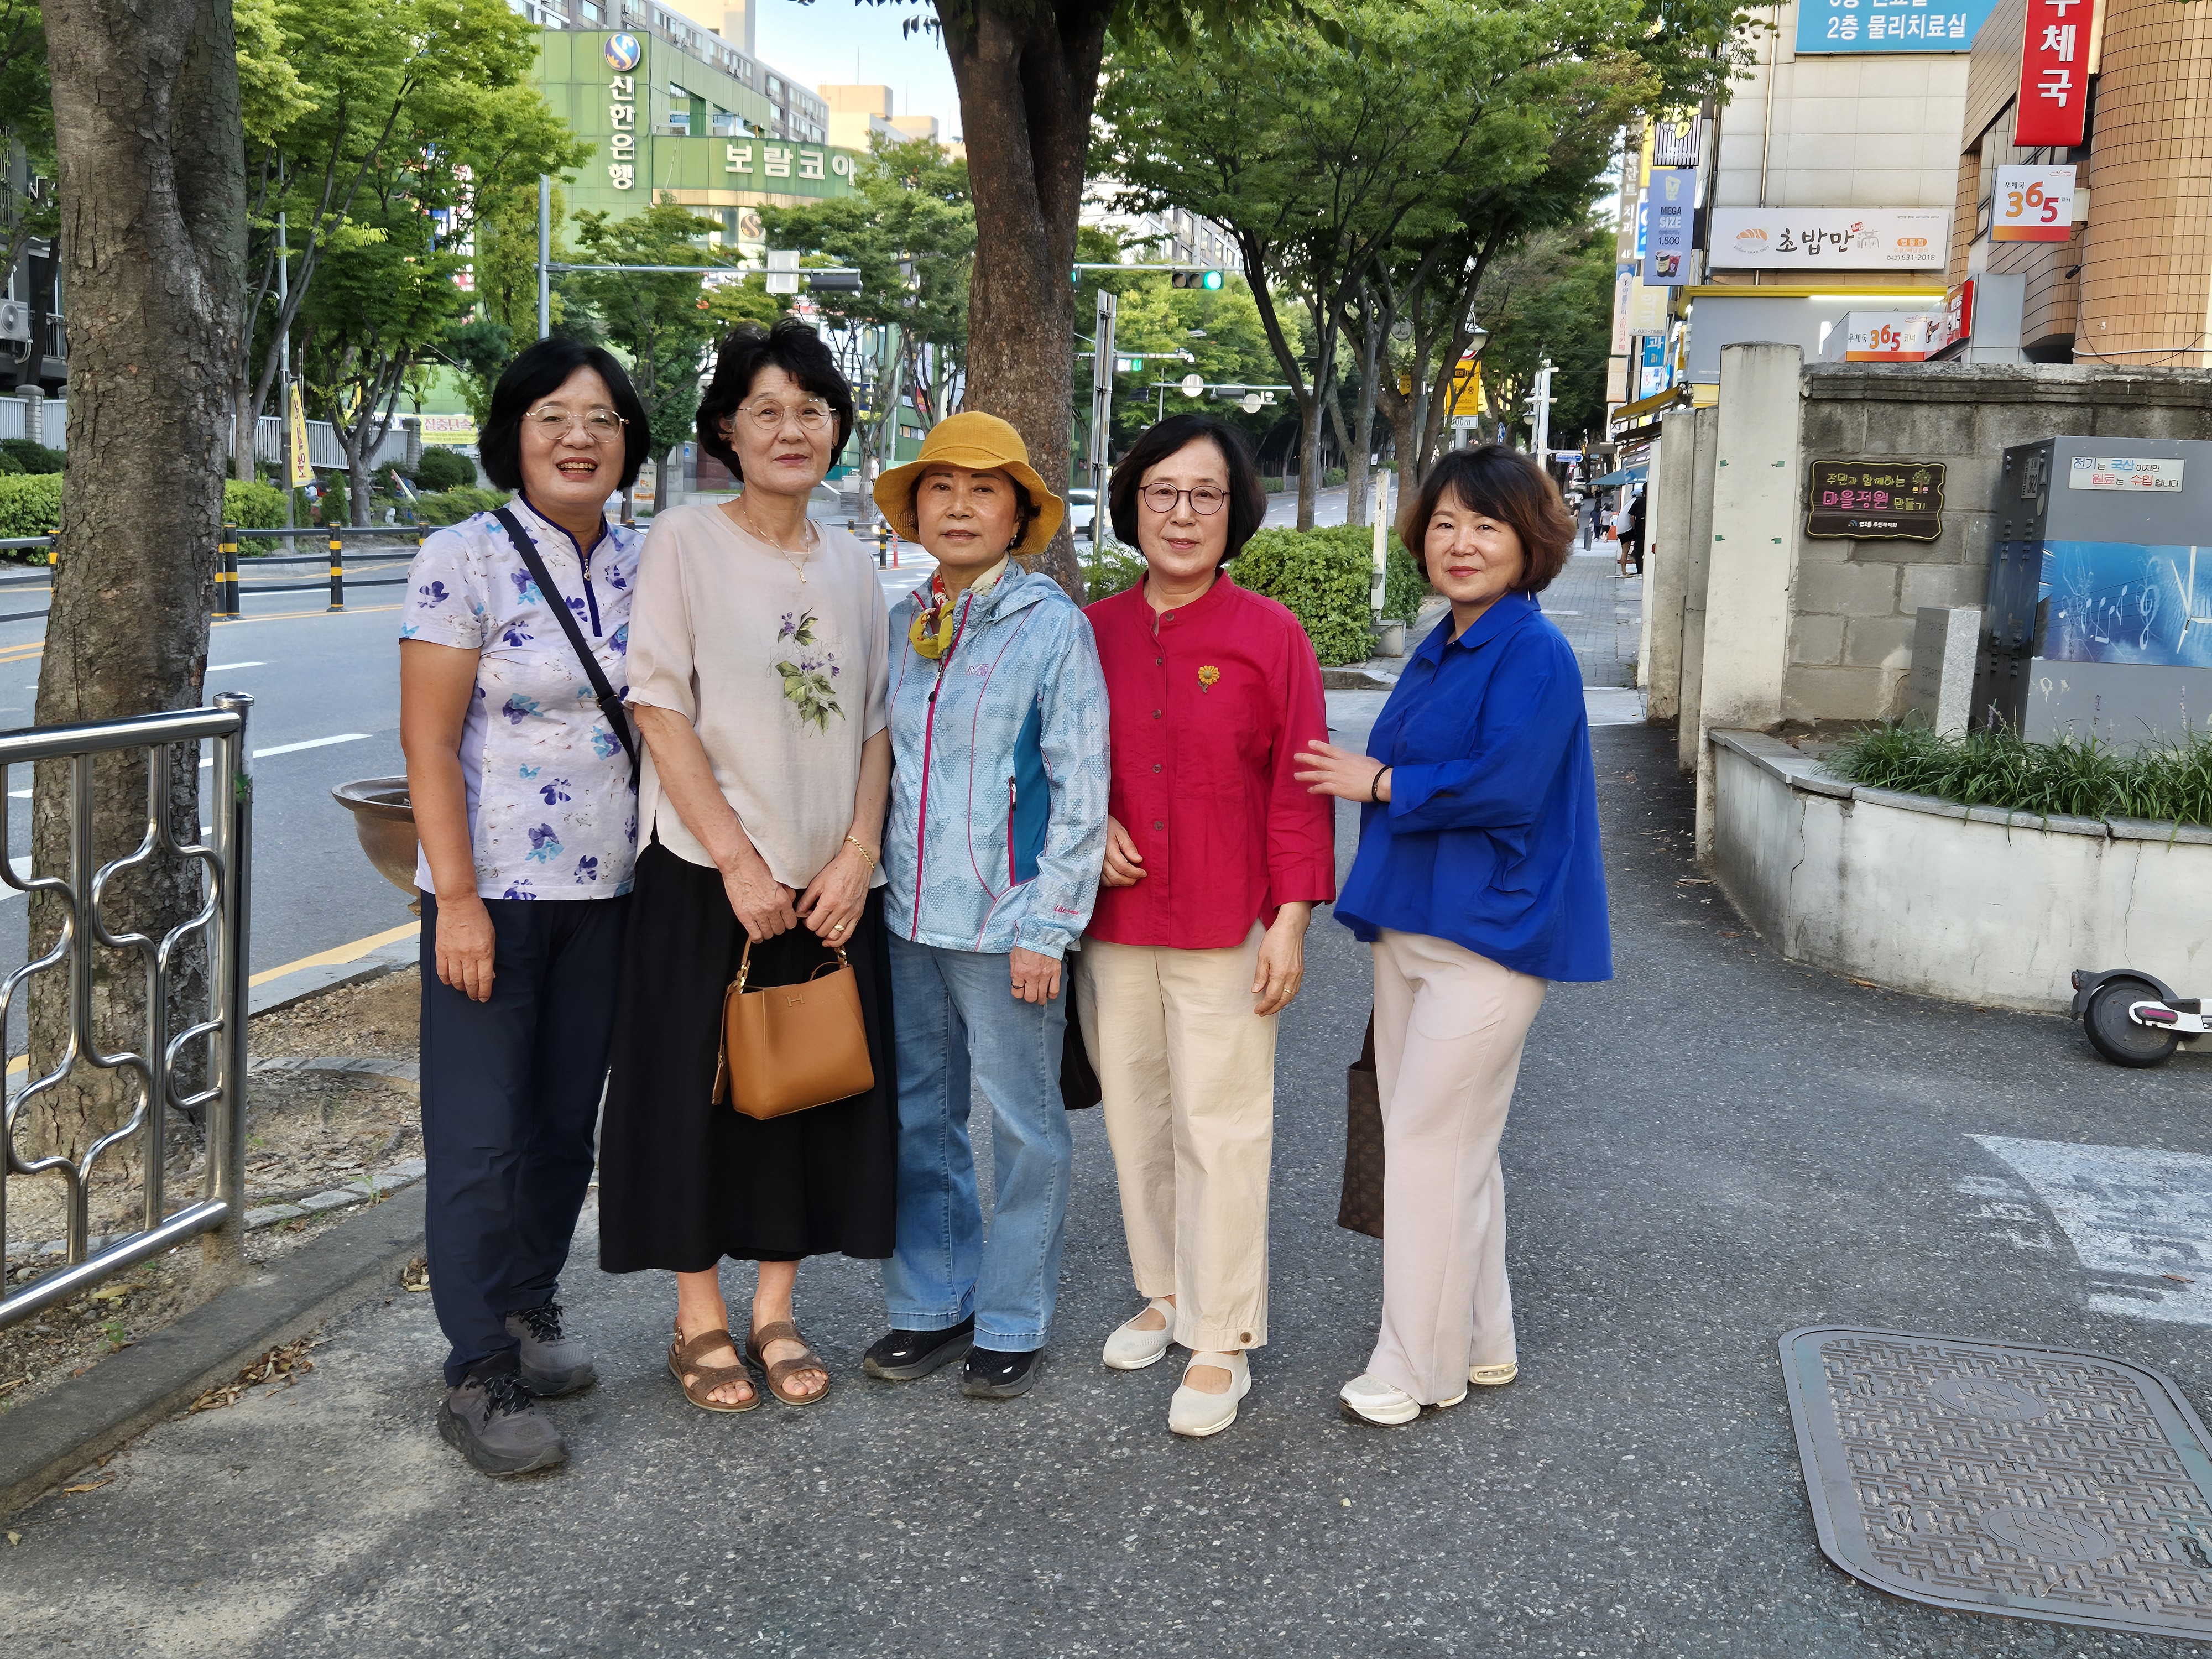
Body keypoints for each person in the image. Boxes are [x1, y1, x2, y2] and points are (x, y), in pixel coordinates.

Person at [597, 319, 895, 1414]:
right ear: (725, 428)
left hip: (827, 884)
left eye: (811, 410)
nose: (790, 429)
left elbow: (875, 724)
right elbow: (659, 704)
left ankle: (775, 1309)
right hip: (705, 870)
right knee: (693, 1095)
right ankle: (699, 1320)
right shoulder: (684, 540)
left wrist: (858, 855)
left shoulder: (855, 563)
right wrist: (735, 859)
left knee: (801, 1089)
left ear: (837, 431)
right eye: (765, 410)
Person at [1294, 442, 1611, 1428]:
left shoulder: (1534, 651)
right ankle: (1480, 1337)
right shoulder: (1446, 640)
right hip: (1414, 923)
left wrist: (1381, 782)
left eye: (1486, 524)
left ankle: (1413, 1367)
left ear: (1530, 541)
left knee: (1429, 1144)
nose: (1460, 543)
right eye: (1444, 524)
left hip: (1489, 932)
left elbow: (1506, 786)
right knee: (1455, 1143)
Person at [399, 337, 650, 1475]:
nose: (578, 437)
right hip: (491, 894)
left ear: (627, 441)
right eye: (553, 416)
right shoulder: (462, 558)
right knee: (479, 1134)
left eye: (601, 418)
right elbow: (427, 742)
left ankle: (526, 1306)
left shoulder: (647, 562)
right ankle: (476, 1372)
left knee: (560, 1125)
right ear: (513, 434)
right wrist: (455, 898)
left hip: (610, 891)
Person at [1074, 413, 1336, 1438]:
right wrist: (1086, 823)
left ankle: (1222, 1333)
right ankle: (1167, 1290)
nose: (1183, 514)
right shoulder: (1089, 632)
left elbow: (1300, 787)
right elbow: (1048, 759)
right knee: (1137, 1117)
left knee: (1222, 1126)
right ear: (1132, 504)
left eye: (1206, 495)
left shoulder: (1271, 635)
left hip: (1231, 920)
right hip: (1115, 918)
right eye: (1163, 493)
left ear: (1235, 513)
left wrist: (1292, 919)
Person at [860, 413, 1109, 1401]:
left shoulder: (1053, 627)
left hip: (1008, 925)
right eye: (941, 488)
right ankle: (932, 1303)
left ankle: (1012, 1317)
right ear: (916, 510)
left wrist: (1051, 924)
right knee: (919, 1120)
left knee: (1024, 1128)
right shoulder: (902, 623)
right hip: (905, 920)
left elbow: (1081, 787)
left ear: (1018, 517)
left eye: (984, 490)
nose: (959, 507)